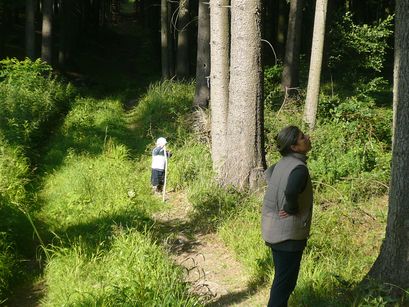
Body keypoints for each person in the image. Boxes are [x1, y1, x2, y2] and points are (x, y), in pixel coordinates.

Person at [261, 125, 313, 307]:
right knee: (285, 284)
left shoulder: (281, 163)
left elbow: (268, 175)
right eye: (301, 137)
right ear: (294, 147)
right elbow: (291, 190)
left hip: (274, 229)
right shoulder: (299, 168)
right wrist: (290, 207)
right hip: (288, 234)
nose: (307, 137)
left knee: (282, 280)